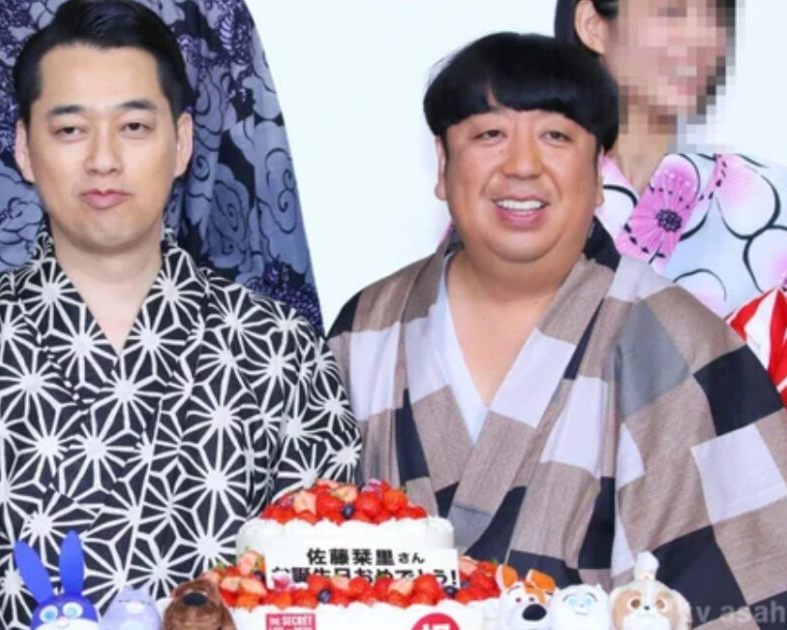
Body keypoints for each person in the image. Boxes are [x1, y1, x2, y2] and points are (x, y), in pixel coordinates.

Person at [0, 2, 360, 628]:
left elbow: (322, 593)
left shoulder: (283, 350)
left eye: (134, 126)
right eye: (71, 129)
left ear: (182, 143)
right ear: (24, 149)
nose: (103, 160)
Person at [328, 33, 787, 626]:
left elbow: (753, 591)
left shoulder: (682, 342)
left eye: (556, 136)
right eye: (489, 135)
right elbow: (295, 562)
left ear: (598, 172)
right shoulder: (367, 328)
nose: (522, 166)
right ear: (442, 164)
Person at [555, 0, 787, 317]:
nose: (702, 37)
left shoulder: (771, 199)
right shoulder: (521, 193)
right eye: (671, 11)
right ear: (592, 26)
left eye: (715, 16)